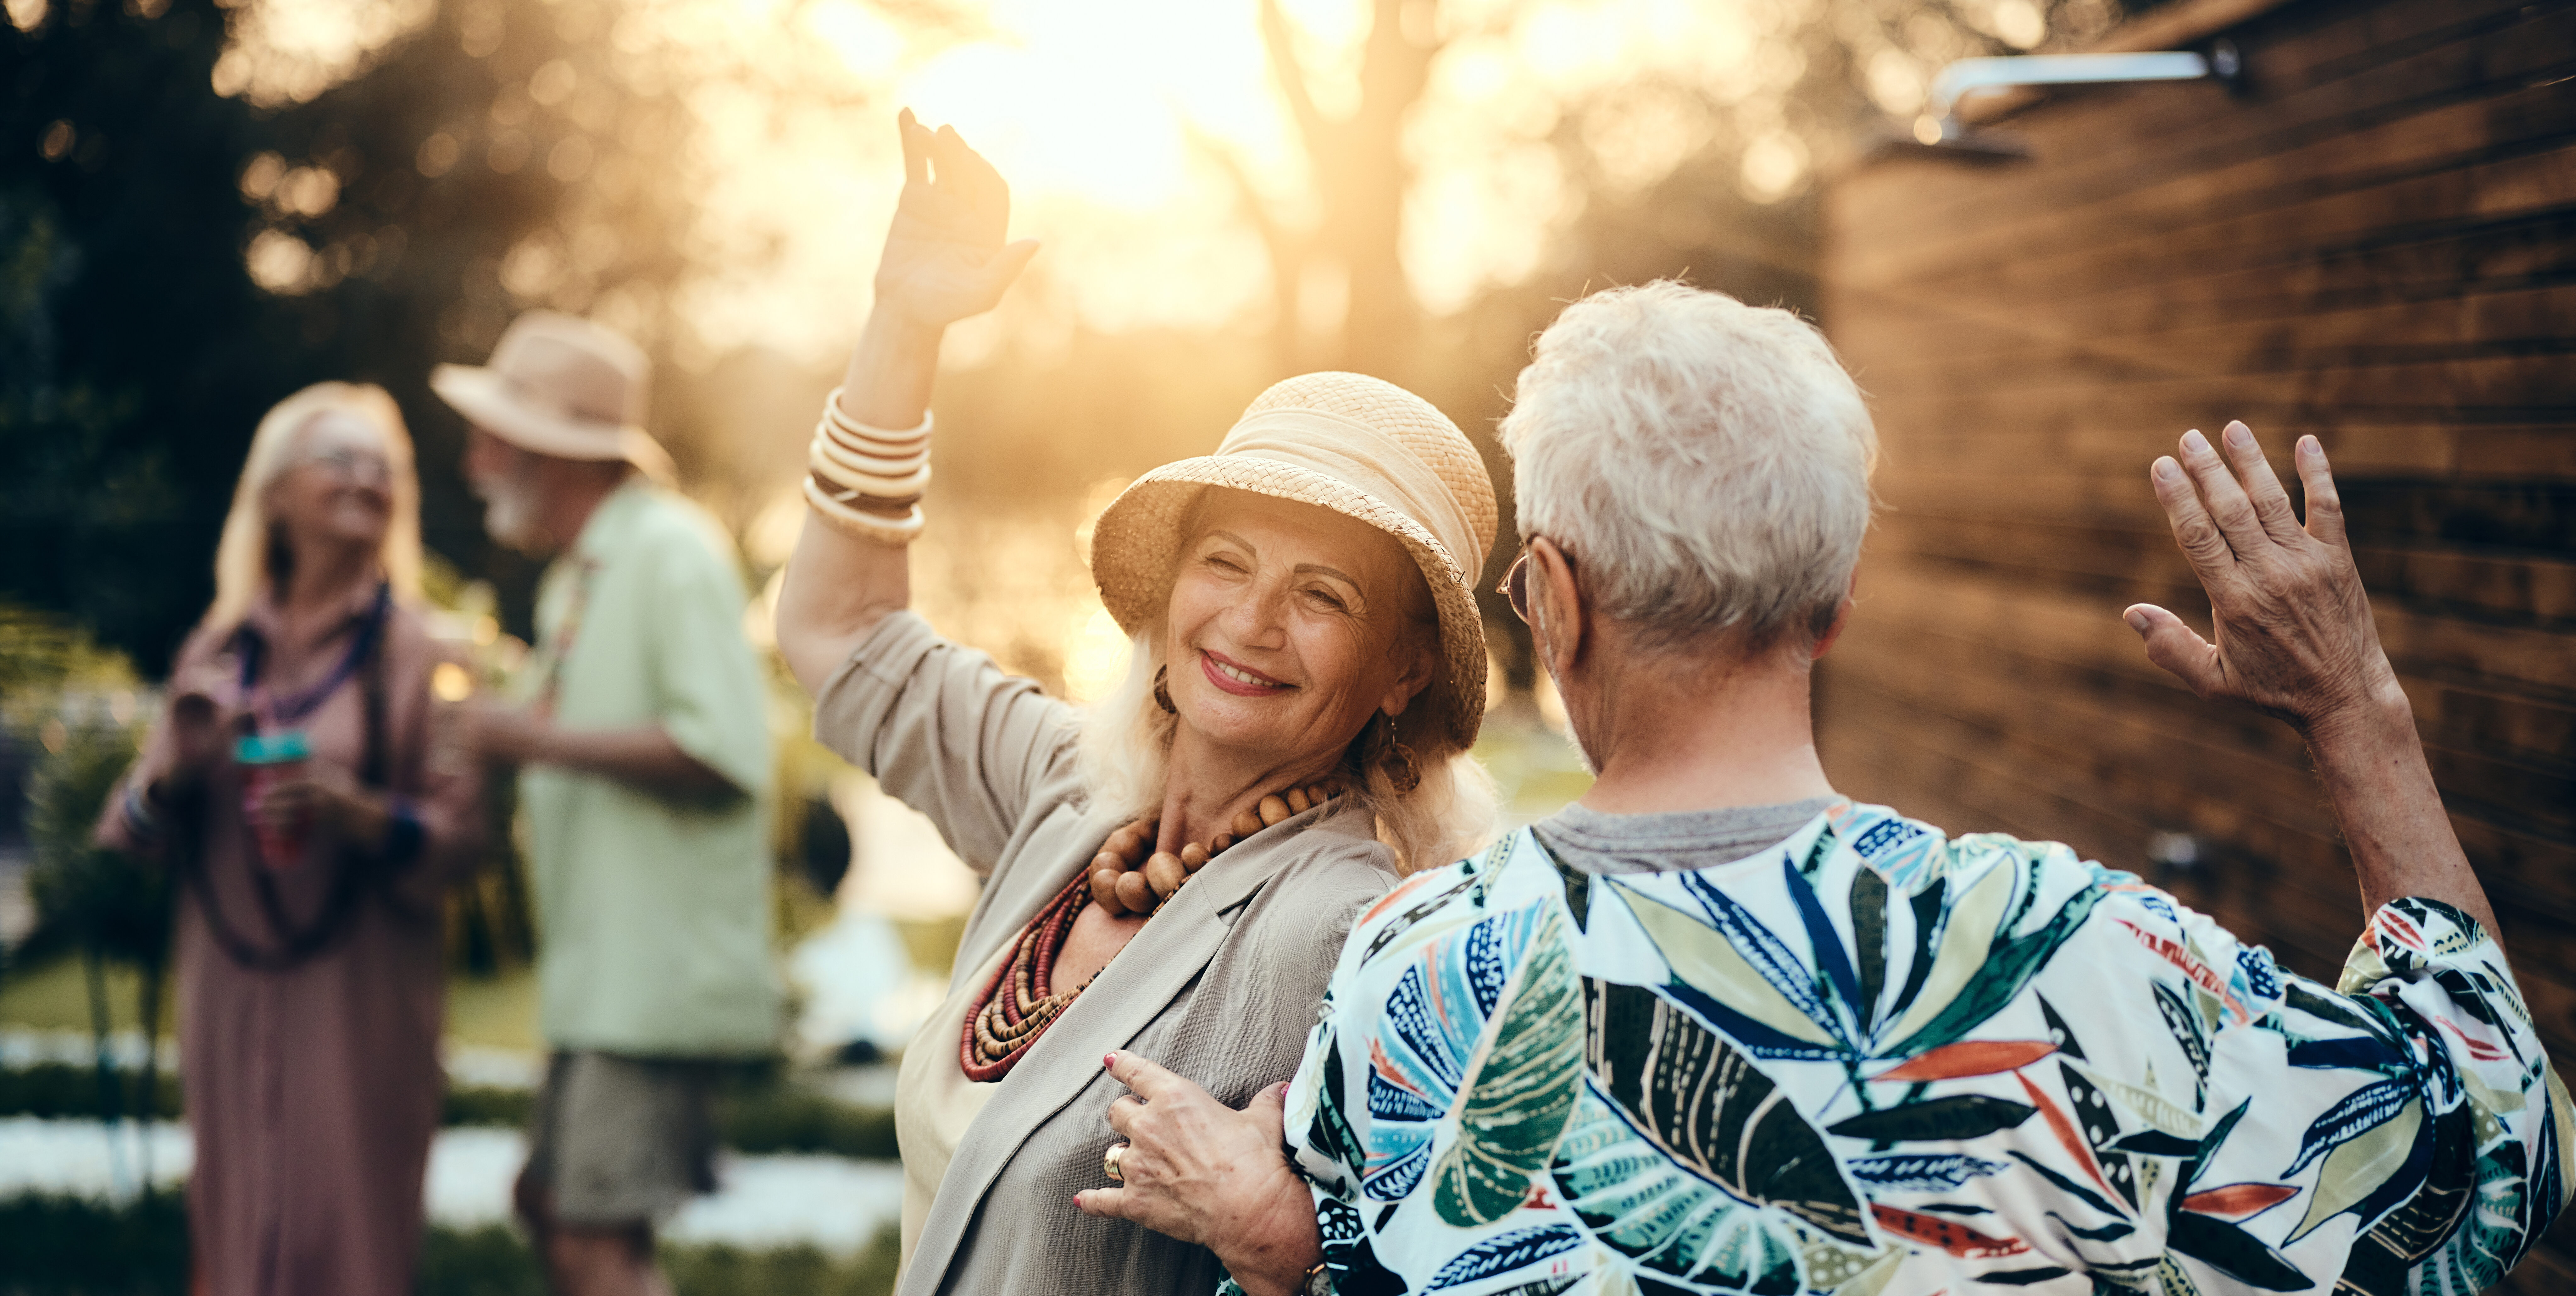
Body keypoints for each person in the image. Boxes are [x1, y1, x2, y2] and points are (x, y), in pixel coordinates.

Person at [1078, 282, 2573, 1296]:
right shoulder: (2081, 958)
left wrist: (1287, 1247)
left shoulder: (1415, 969)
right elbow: (2496, 1159)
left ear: (1550, 597)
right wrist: (2353, 709)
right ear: (1833, 604)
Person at [769, 110, 1501, 1296]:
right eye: (1226, 563)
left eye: (1323, 595)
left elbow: (1442, 1258)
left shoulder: (1351, 930)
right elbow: (840, 629)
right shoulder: (1068, 790)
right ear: (1169, 588)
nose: (1252, 622)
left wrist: (1286, 1243)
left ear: (1404, 673)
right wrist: (904, 326)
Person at [97, 382, 482, 1296]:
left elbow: (466, 843)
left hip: (361, 1001)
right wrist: (177, 769)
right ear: (274, 493)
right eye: (339, 458)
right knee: (233, 1240)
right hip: (227, 994)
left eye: (382, 466)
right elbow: (125, 837)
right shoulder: (217, 650)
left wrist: (353, 810)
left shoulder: (433, 656)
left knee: (353, 1240)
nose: (367, 479)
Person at [438, 311, 781, 1296]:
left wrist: (525, 736)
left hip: (652, 986)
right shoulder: (581, 573)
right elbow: (558, 729)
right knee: (552, 1208)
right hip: (605, 982)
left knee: (593, 1243)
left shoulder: (670, 550)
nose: (473, 458)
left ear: (555, 450)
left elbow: (724, 750)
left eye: (492, 434)